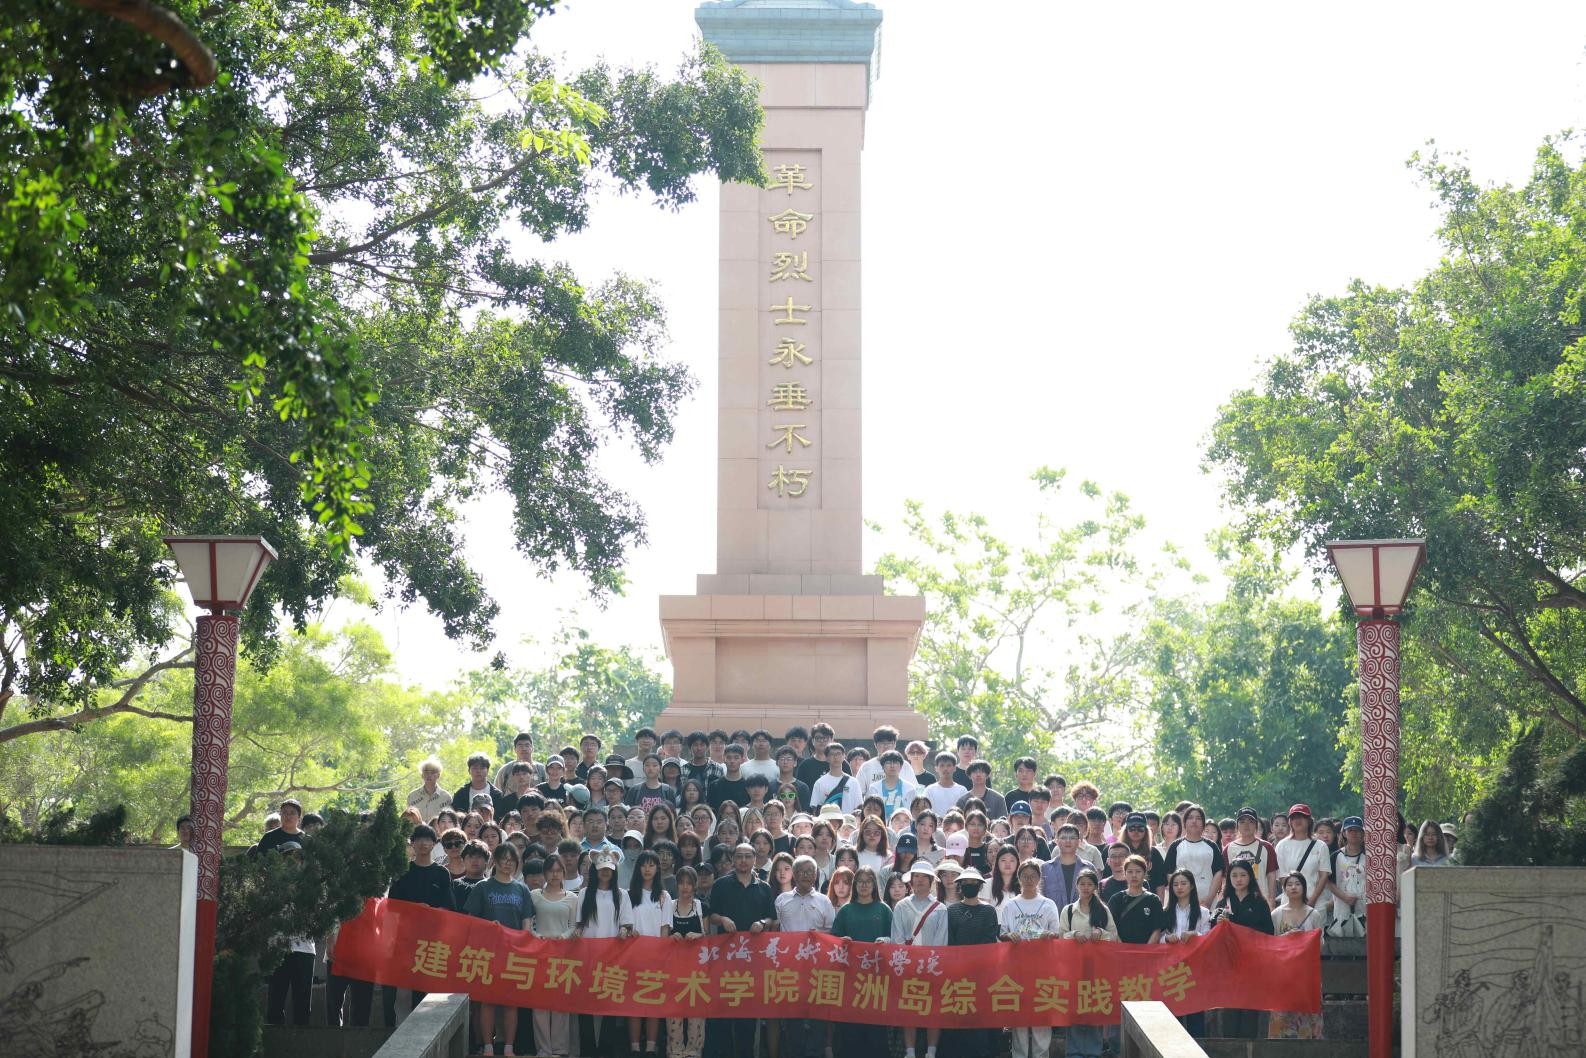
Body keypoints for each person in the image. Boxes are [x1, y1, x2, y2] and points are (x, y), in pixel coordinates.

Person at [707, 843, 775, 1058]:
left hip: (753, 960)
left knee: (748, 1013)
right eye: (739, 856)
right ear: (733, 860)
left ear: (754, 859)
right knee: (724, 1013)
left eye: (747, 856)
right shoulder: (721, 885)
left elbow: (771, 917)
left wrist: (762, 923)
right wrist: (722, 919)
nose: (743, 860)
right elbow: (711, 915)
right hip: (726, 959)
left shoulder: (764, 887)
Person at [464, 844, 532, 1056]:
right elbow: (471, 921)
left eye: (512, 859)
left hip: (513, 953)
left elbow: (527, 921)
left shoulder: (521, 889)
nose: (508, 863)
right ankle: (488, 1046)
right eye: (504, 858)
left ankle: (509, 1046)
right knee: (489, 1001)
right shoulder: (483, 887)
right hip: (488, 953)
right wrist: (487, 927)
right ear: (495, 860)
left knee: (511, 1002)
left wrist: (523, 942)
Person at [999, 859, 1061, 1058]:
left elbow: (1057, 933)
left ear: (1039, 878)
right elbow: (1002, 933)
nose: (1029, 880)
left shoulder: (1048, 904)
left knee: (1041, 1011)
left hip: (1043, 967)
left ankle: (1041, 1054)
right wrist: (1009, 936)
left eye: (1033, 876)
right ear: (1018, 878)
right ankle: (1019, 1054)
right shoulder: (1011, 905)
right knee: (1020, 1015)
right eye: (1025, 876)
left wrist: (1049, 935)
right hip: (1017, 967)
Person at [776, 856, 836, 1058]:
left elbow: (832, 933)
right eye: (801, 871)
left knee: (818, 1017)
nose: (806, 875)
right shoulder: (782, 900)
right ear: (794, 874)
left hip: (817, 969)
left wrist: (819, 935)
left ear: (816, 875)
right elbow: (774, 932)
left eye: (810, 871)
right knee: (793, 1017)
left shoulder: (824, 901)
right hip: (789, 969)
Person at [574, 851, 633, 1056]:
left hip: (612, 956)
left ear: (614, 871)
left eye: (609, 869)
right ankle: (588, 1049)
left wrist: (624, 930)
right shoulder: (584, 894)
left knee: (608, 1003)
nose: (605, 873)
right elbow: (580, 923)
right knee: (586, 1003)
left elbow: (627, 922)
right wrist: (577, 932)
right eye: (601, 870)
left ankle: (607, 1049)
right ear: (595, 871)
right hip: (588, 955)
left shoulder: (621, 894)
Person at [833, 866, 892, 1056]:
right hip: (851, 980)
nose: (864, 885)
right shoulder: (846, 910)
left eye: (868, 881)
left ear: (874, 885)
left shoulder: (884, 909)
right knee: (851, 1032)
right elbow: (833, 940)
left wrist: (886, 940)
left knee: (876, 1033)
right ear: (855, 885)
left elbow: (895, 938)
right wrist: (842, 941)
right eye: (860, 881)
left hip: (877, 980)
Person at [1059, 868, 1116, 1058]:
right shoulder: (1068, 911)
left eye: (1089, 884)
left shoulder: (1103, 910)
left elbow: (1114, 936)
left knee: (1094, 1009)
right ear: (1076, 886)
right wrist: (1073, 934)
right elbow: (1060, 937)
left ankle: (1093, 1051)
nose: (1085, 888)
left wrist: (1101, 933)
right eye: (1082, 884)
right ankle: (1074, 1052)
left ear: (1095, 887)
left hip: (1097, 970)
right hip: (1073, 970)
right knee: (1074, 1010)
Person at [944, 866, 999, 1058]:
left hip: (982, 973)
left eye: (973, 882)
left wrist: (973, 960)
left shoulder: (989, 910)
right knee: (959, 1015)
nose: (969, 885)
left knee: (980, 1016)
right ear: (960, 885)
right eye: (966, 882)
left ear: (980, 885)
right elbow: (950, 940)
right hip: (957, 972)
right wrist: (959, 962)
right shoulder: (952, 911)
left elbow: (990, 939)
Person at [1212, 861, 1273, 1038]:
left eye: (1243, 875)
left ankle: (1249, 1047)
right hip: (1229, 963)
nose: (1238, 879)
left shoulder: (1259, 902)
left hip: (1252, 962)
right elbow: (1213, 935)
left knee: (1249, 1008)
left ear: (1250, 877)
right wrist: (1218, 924)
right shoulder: (1222, 903)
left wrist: (1242, 929)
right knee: (1230, 1007)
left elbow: (1268, 932)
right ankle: (1230, 1047)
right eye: (1234, 875)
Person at [262, 840, 316, 1026]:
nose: (292, 861)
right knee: (275, 1002)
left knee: (302, 1004)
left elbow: (319, 915)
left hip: (304, 949)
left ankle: (301, 1042)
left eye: (297, 857)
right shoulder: (271, 884)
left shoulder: (313, 885)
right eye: (287, 857)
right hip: (277, 947)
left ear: (302, 861)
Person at [1269, 873, 1325, 1039]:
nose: (1293, 887)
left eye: (1297, 884)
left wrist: (1304, 939)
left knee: (1308, 1013)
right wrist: (1287, 937)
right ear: (1284, 889)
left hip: (1306, 971)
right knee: (1281, 1014)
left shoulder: (1314, 914)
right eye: (1289, 884)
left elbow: (1321, 943)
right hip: (1283, 971)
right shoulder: (1276, 914)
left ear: (1304, 888)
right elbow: (1271, 943)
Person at [661, 866, 709, 1058]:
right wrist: (671, 938)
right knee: (674, 1011)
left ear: (695, 885)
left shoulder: (701, 907)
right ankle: (674, 1051)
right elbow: (663, 937)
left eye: (689, 883)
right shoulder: (668, 906)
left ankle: (693, 1051)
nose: (685, 887)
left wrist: (698, 935)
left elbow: (708, 938)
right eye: (681, 883)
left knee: (696, 1011)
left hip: (697, 969)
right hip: (673, 967)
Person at [628, 851, 672, 1054]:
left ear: (657, 869)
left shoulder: (664, 896)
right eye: (643, 865)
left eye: (651, 865)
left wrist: (659, 957)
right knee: (634, 1004)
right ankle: (634, 1047)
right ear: (638, 868)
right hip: (633, 957)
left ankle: (651, 1047)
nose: (647, 869)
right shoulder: (628, 895)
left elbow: (665, 929)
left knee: (653, 1002)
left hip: (655, 959)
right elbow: (625, 924)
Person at [1161, 870, 1210, 1036]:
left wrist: (1195, 934)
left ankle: (1197, 1046)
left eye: (1183, 883)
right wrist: (1167, 939)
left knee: (1195, 1014)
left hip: (1194, 968)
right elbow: (1159, 938)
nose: (1179, 887)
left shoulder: (1203, 912)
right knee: (1174, 1014)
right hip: (1172, 969)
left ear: (1192, 886)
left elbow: (1208, 938)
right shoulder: (1166, 911)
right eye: (1175, 884)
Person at [1163, 805, 1225, 907]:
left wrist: (1208, 901)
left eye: (1198, 818)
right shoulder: (1175, 846)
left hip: (1208, 903)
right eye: (1190, 818)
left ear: (1203, 823)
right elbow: (1169, 873)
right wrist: (1182, 896)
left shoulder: (1212, 846)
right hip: (1181, 902)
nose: (1194, 821)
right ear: (1184, 823)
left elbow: (1218, 873)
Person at [1275, 805, 1330, 912]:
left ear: (1309, 820)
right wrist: (1297, 901)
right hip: (1289, 904)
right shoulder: (1282, 846)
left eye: (1302, 817)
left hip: (1316, 904)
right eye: (1294, 817)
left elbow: (1324, 876)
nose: (1297, 820)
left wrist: (1312, 900)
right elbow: (1282, 877)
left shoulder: (1321, 846)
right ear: (1290, 822)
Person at [1223, 807, 1278, 906]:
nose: (1246, 825)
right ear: (1237, 825)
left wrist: (1271, 900)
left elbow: (1271, 876)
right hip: (1236, 903)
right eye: (1242, 822)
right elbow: (1225, 878)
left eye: (1251, 821)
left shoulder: (1267, 847)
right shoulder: (1228, 849)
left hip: (1261, 902)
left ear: (1256, 825)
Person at [1326, 816, 1367, 944]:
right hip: (1341, 909)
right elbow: (1328, 881)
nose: (1354, 833)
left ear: (1363, 833)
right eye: (1350, 830)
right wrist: (1344, 897)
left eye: (1357, 830)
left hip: (1364, 909)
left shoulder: (1370, 856)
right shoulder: (1336, 856)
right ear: (1344, 833)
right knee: (1342, 944)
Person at [810, 742, 859, 814]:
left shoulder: (853, 782)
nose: (835, 757)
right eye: (832, 754)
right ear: (826, 758)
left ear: (844, 756)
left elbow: (858, 807)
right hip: (827, 820)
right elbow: (815, 808)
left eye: (838, 754)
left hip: (848, 820)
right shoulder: (820, 783)